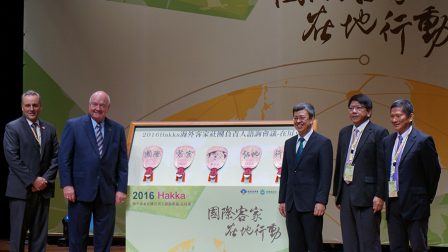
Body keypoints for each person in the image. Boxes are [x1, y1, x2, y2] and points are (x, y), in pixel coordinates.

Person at [58, 91, 128, 251]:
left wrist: (121, 189)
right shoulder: (73, 125)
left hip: (107, 192)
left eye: (102, 105)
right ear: (89, 105)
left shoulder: (116, 129)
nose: (98, 108)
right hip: (79, 192)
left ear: (108, 108)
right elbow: (64, 159)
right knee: (77, 238)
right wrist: (67, 185)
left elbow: (123, 162)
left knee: (104, 239)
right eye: (94, 104)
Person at [3, 90, 59, 252]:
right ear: (22, 107)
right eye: (28, 105)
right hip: (21, 191)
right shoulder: (12, 128)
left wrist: (45, 180)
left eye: (35, 105)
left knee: (39, 238)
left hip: (43, 191)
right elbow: (12, 158)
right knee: (18, 237)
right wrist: (33, 180)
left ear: (40, 107)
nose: (31, 109)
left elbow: (56, 156)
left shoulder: (49, 128)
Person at [332, 94, 388, 252]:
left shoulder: (379, 132)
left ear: (369, 112)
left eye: (358, 108)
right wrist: (338, 193)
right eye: (351, 108)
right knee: (349, 242)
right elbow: (341, 163)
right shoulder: (344, 132)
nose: (354, 111)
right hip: (347, 193)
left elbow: (382, 167)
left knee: (368, 242)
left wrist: (380, 195)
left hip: (368, 195)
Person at [383, 99, 441, 251]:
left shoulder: (422, 141)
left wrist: (425, 197)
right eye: (392, 116)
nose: (394, 120)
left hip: (416, 204)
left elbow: (434, 172)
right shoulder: (387, 141)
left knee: (418, 247)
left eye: (398, 116)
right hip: (393, 203)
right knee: (396, 247)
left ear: (410, 117)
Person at [278, 102, 333, 252]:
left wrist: (321, 201)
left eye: (302, 117)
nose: (298, 121)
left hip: (312, 205)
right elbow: (286, 174)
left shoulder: (323, 143)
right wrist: (282, 199)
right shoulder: (289, 143)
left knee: (314, 245)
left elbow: (325, 174)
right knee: (295, 246)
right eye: (295, 118)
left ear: (311, 119)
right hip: (292, 203)